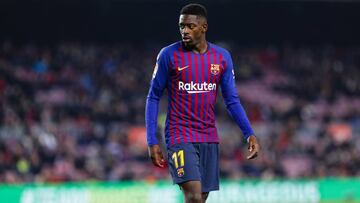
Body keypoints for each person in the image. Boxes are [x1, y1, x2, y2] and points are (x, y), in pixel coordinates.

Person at [145, 3, 260, 203]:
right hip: (179, 135)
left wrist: (249, 132)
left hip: (208, 136)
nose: (184, 31)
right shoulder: (168, 55)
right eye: (182, 26)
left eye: (190, 26)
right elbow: (153, 96)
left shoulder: (222, 57)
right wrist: (152, 141)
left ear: (204, 27)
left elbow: (231, 100)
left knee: (199, 199)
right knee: (194, 197)